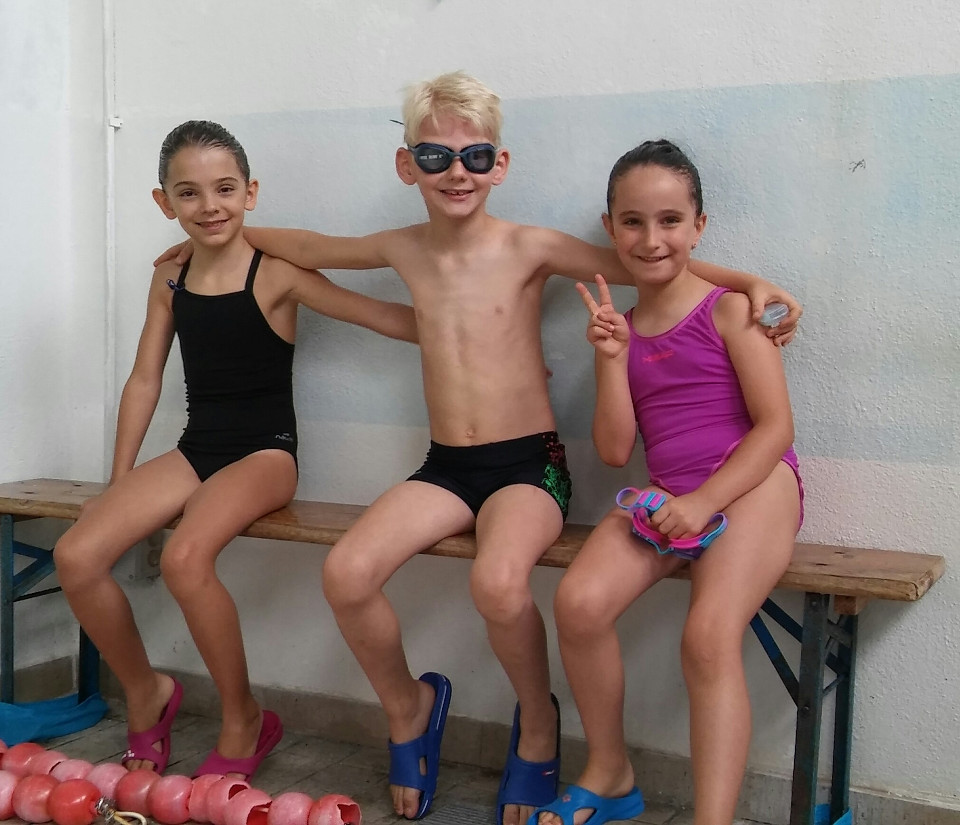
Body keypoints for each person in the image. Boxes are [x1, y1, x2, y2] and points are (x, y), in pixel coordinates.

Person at [155, 72, 801, 823]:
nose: (456, 171)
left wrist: (751, 281)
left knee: (498, 583)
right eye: (435, 157)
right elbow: (306, 244)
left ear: (500, 164)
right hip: (447, 466)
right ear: (407, 166)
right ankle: (408, 710)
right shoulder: (401, 247)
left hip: (529, 464)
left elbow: (645, 260)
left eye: (475, 156)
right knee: (347, 571)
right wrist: (207, 237)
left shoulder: (530, 246)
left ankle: (537, 722)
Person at [53, 120, 418, 781]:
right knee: (76, 554)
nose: (209, 205)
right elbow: (144, 379)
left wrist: (481, 338)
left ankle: (244, 715)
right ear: (164, 202)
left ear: (250, 193)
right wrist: (118, 482)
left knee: (185, 557)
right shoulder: (169, 279)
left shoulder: (275, 273)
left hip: (265, 454)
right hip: (198, 448)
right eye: (188, 193)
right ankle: (146, 690)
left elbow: (384, 318)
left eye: (224, 188)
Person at [531, 140, 803, 825]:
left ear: (698, 226)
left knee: (707, 636)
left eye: (670, 220)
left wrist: (706, 501)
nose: (651, 240)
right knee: (579, 603)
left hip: (754, 484)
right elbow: (615, 450)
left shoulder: (731, 310)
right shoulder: (620, 329)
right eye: (632, 222)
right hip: (670, 495)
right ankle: (611, 773)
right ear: (610, 227)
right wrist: (610, 359)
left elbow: (776, 429)